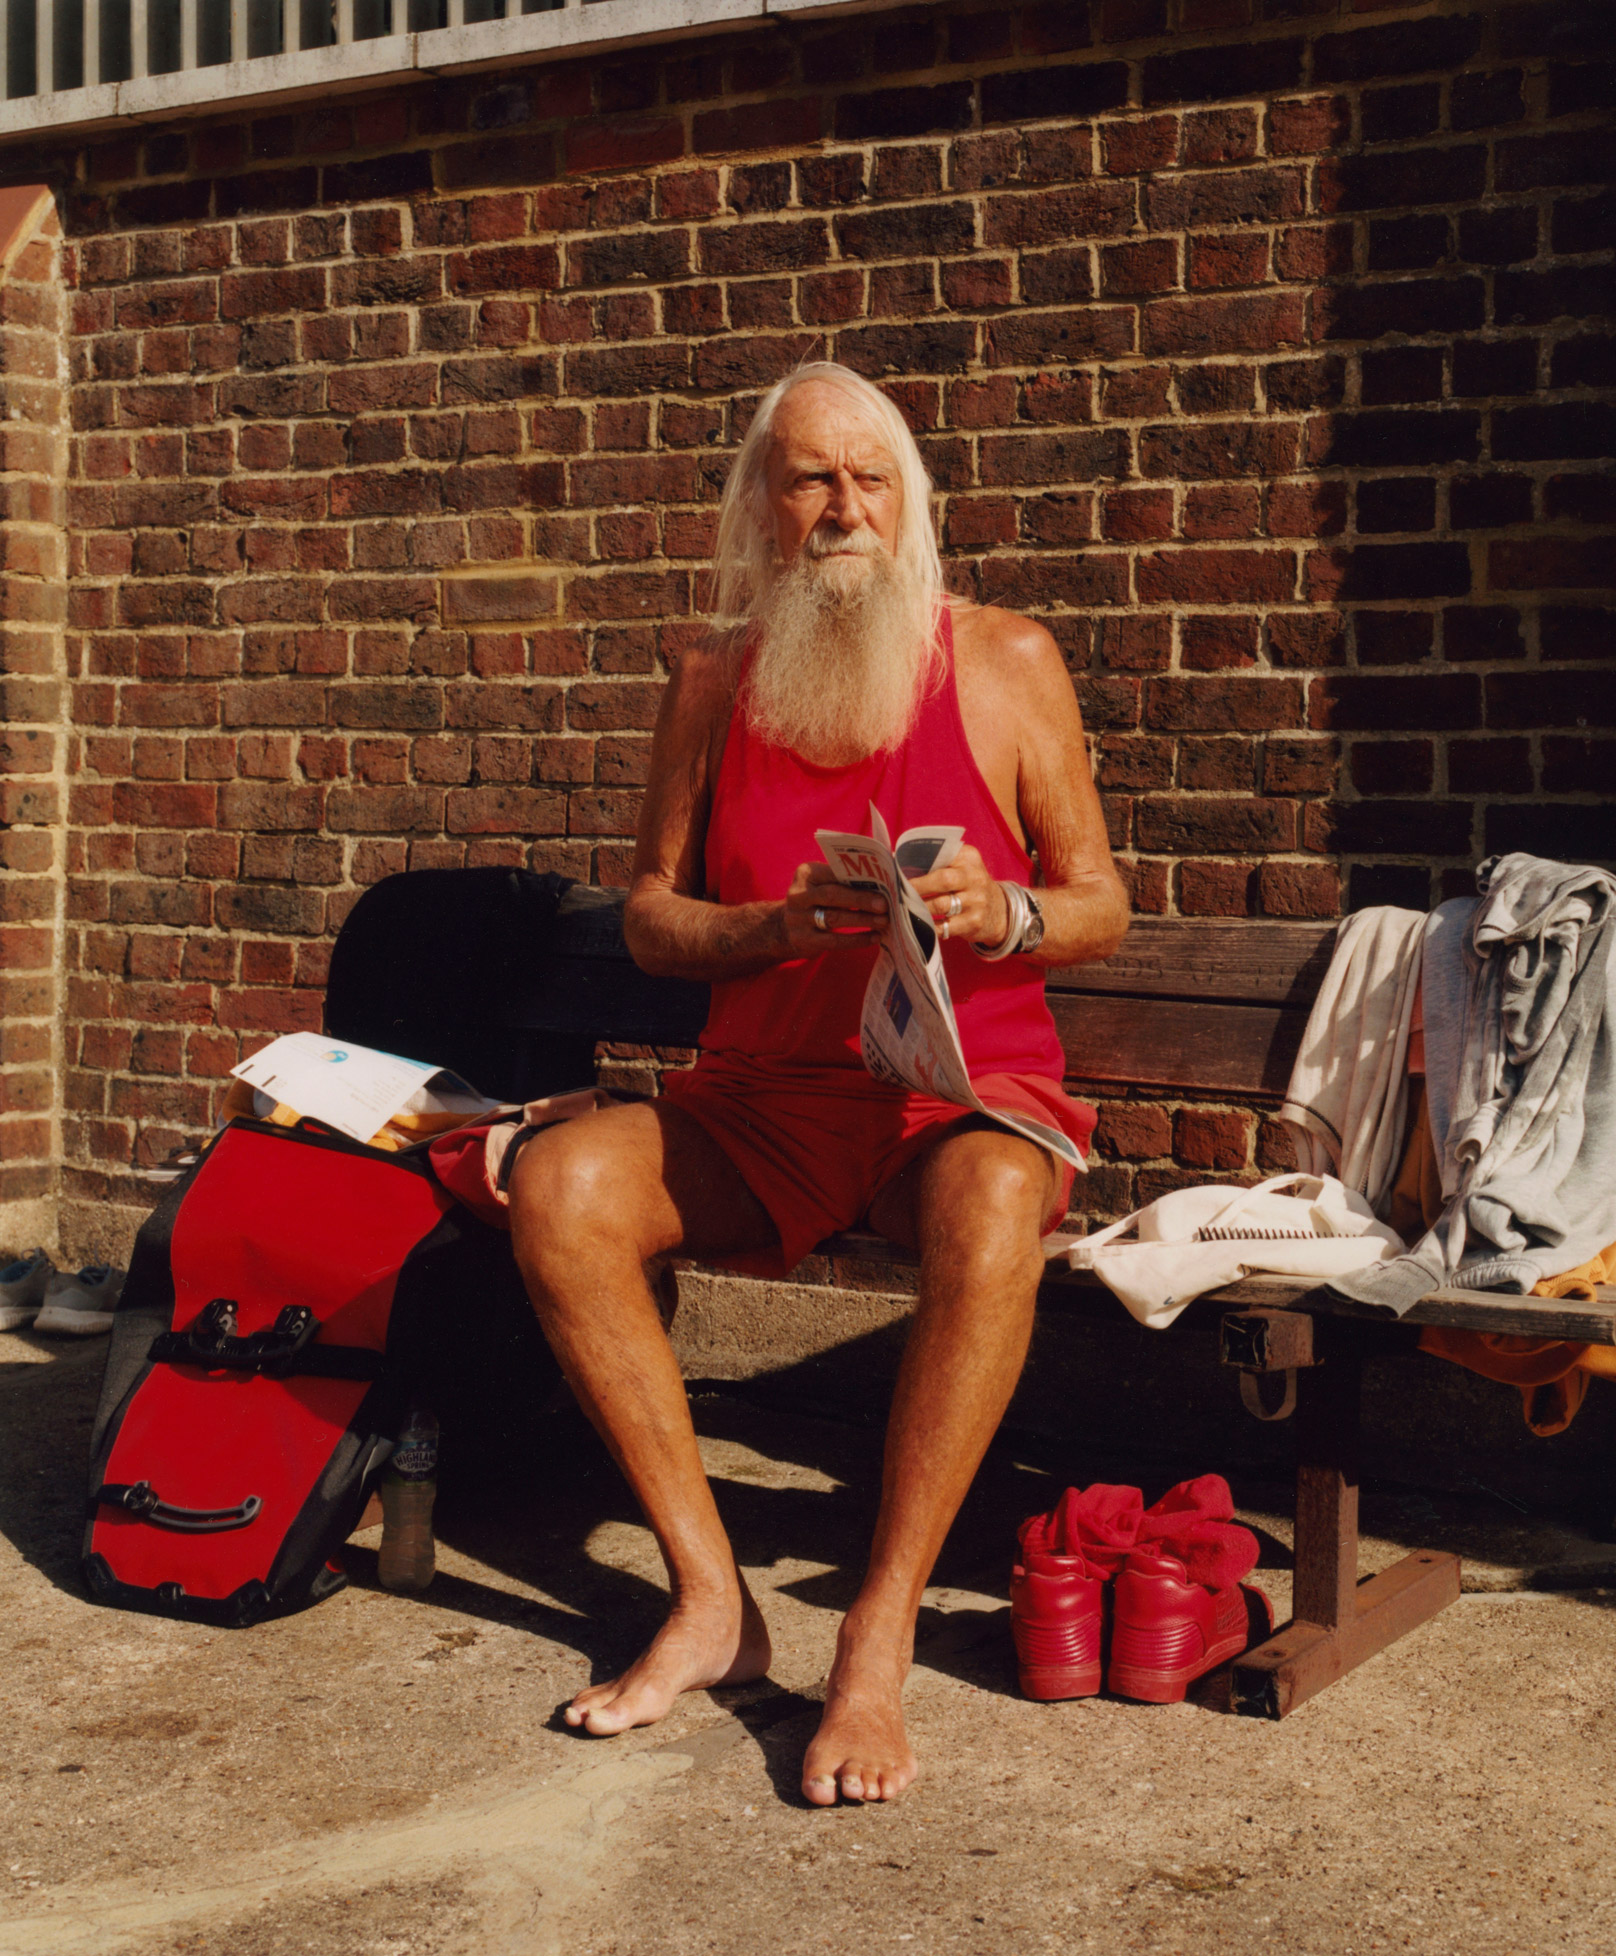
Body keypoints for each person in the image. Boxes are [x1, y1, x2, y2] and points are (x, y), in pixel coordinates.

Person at [508, 360, 1129, 1806]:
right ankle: (711, 1599)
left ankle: (875, 1635)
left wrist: (1008, 914)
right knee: (561, 1182)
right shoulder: (713, 679)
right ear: (760, 506)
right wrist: (770, 930)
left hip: (957, 1099)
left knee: (992, 1206)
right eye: (809, 479)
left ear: (909, 500)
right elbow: (653, 914)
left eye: (870, 478)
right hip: (761, 1096)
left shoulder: (1007, 658)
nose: (843, 507)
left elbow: (1102, 901)